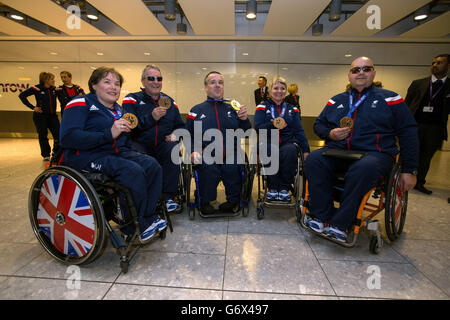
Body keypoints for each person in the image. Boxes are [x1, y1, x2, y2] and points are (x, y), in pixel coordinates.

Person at [305, 56, 419, 243]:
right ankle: (322, 217)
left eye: (366, 69)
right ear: (349, 75)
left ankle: (341, 224)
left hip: (374, 154)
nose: (360, 73)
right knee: (314, 159)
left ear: (373, 73)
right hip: (339, 150)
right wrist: (331, 134)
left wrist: (410, 169)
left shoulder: (390, 98)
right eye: (355, 70)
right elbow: (319, 125)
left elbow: (408, 132)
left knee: (363, 168)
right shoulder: (336, 100)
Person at [60, 67, 166, 244]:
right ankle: (131, 228)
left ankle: (147, 217)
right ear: (94, 85)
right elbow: (68, 137)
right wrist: (108, 133)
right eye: (107, 82)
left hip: (115, 152)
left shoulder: (117, 109)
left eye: (117, 84)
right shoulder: (80, 103)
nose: (113, 87)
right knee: (132, 171)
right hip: (87, 157)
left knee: (152, 165)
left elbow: (129, 132)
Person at [186, 71, 252, 214]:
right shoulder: (196, 110)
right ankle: (206, 201)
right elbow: (188, 134)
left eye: (220, 82)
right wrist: (192, 150)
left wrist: (244, 119)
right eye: (213, 82)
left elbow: (246, 132)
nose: (217, 85)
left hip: (231, 151)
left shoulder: (233, 108)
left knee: (232, 166)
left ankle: (233, 201)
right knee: (207, 167)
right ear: (206, 87)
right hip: (206, 151)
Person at [122, 64, 185, 213]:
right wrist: (151, 118)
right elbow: (129, 126)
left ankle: (169, 198)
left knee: (173, 149)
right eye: (151, 78)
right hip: (139, 143)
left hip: (163, 144)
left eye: (159, 78)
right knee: (139, 158)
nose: (156, 81)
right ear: (143, 81)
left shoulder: (170, 102)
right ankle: (146, 199)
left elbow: (181, 126)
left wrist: (177, 134)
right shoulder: (131, 99)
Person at [254, 76, 310, 201]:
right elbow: (258, 127)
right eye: (276, 88)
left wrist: (306, 150)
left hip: (288, 141)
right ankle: (272, 187)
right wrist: (272, 124)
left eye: (282, 88)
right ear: (270, 90)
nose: (279, 91)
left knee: (290, 151)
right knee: (269, 149)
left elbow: (299, 131)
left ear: (286, 91)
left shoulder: (292, 109)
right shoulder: (262, 107)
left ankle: (285, 187)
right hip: (268, 140)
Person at [405, 53, 449, 195]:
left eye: (439, 63)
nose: (435, 66)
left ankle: (420, 182)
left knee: (426, 156)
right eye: (433, 63)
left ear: (447, 66)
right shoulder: (418, 83)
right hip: (415, 125)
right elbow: (407, 105)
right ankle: (401, 179)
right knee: (409, 153)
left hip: (435, 128)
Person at [19, 72, 60, 161]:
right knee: (43, 136)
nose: (54, 81)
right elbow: (22, 96)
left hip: (53, 116)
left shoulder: (54, 89)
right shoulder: (36, 88)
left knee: (58, 135)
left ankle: (56, 153)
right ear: (46, 80)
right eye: (52, 79)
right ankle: (46, 155)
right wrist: (33, 107)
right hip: (40, 116)